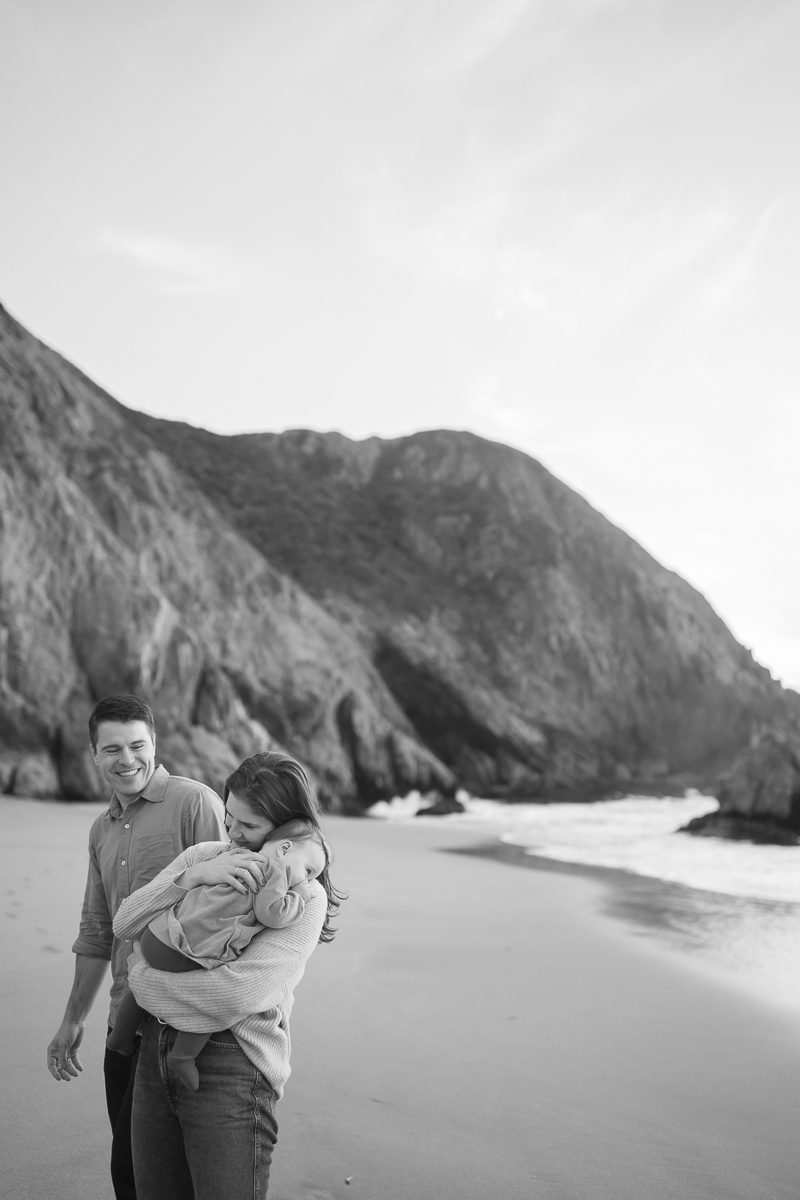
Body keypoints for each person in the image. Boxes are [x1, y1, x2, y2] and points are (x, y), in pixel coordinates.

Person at [112, 750, 342, 1200]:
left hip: (231, 1066)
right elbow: (125, 922)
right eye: (228, 817)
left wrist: (140, 978)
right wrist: (193, 877)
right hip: (156, 1048)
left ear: (286, 832)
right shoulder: (204, 855)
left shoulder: (304, 898)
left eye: (248, 825)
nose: (232, 834)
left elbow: (233, 996)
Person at [46, 694, 227, 1200]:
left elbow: (228, 910)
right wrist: (73, 1019)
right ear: (93, 753)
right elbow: (97, 930)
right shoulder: (99, 830)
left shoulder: (195, 804)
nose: (126, 760)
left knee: (151, 1174)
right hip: (121, 1023)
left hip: (179, 1025)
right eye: (112, 749)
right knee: (131, 1178)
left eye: (136, 746)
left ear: (154, 744)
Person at [107, 818, 328, 1091]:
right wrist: (299, 896)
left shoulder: (234, 857)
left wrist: (141, 977)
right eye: (308, 870)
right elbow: (272, 913)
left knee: (158, 987)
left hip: (158, 935)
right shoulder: (275, 871)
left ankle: (120, 1034)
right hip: (185, 951)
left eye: (248, 824)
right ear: (284, 849)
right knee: (210, 1000)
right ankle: (183, 1055)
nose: (307, 879)